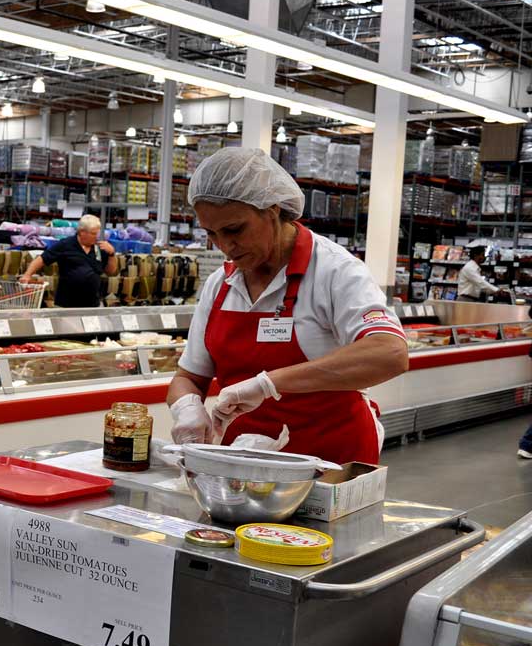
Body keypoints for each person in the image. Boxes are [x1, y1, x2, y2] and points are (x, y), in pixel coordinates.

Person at [167, 147, 409, 465]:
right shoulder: (220, 285)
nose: (225, 247)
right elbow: (189, 376)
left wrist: (269, 384)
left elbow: (390, 352)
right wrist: (187, 409)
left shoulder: (333, 270)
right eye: (211, 234)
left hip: (330, 464)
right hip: (246, 464)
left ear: (272, 210)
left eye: (234, 230)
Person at [19, 214, 117, 307]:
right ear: (82, 232)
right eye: (93, 234)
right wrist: (27, 275)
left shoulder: (100, 247)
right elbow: (42, 259)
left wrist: (112, 254)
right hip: (66, 305)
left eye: (97, 233)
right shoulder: (66, 244)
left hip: (93, 305)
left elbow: (110, 271)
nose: (96, 237)